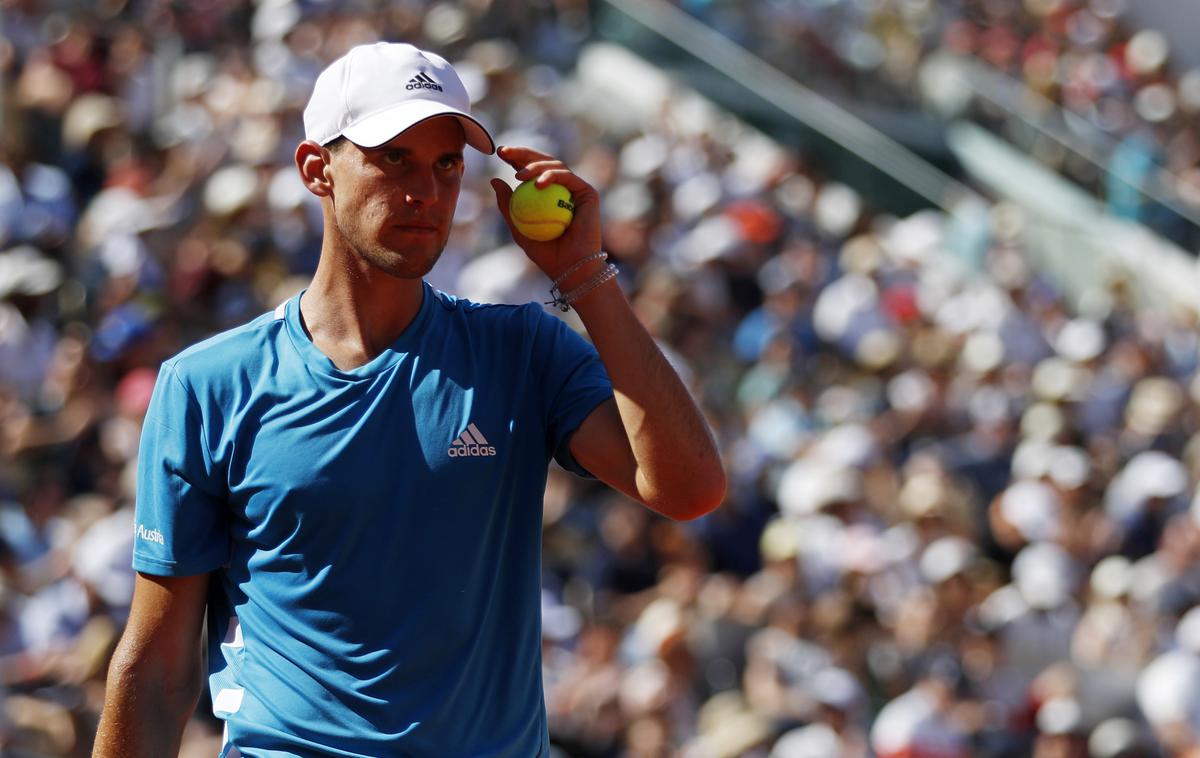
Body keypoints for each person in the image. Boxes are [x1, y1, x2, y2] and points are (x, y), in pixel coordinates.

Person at [92, 41, 726, 757]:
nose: (425, 190)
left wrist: (587, 274)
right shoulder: (207, 385)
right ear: (315, 170)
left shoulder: (525, 350)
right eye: (393, 157)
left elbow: (689, 487)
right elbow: (157, 667)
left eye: (446, 164)